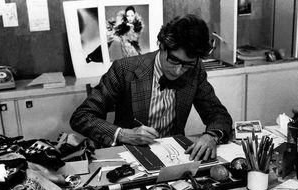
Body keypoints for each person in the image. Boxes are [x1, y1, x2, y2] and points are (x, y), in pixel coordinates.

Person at [70, 14, 233, 162]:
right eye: (174, 61)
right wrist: (124, 134)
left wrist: (211, 136)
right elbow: (81, 116)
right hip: (129, 155)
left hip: (175, 157)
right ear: (161, 46)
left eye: (187, 65)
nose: (178, 71)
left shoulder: (195, 69)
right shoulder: (124, 69)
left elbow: (219, 115)